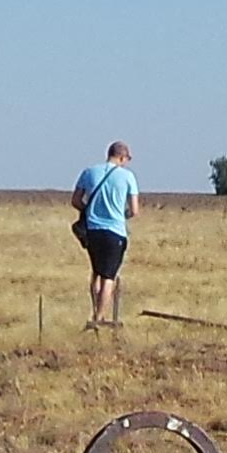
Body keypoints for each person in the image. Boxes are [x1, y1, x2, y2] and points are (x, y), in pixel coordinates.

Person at [71, 140, 138, 327]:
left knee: (96, 273)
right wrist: (120, 214)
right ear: (122, 157)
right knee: (109, 276)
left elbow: (75, 200)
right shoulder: (127, 177)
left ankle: (95, 310)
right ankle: (99, 317)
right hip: (115, 231)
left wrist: (91, 211)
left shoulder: (89, 172)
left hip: (92, 231)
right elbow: (134, 210)